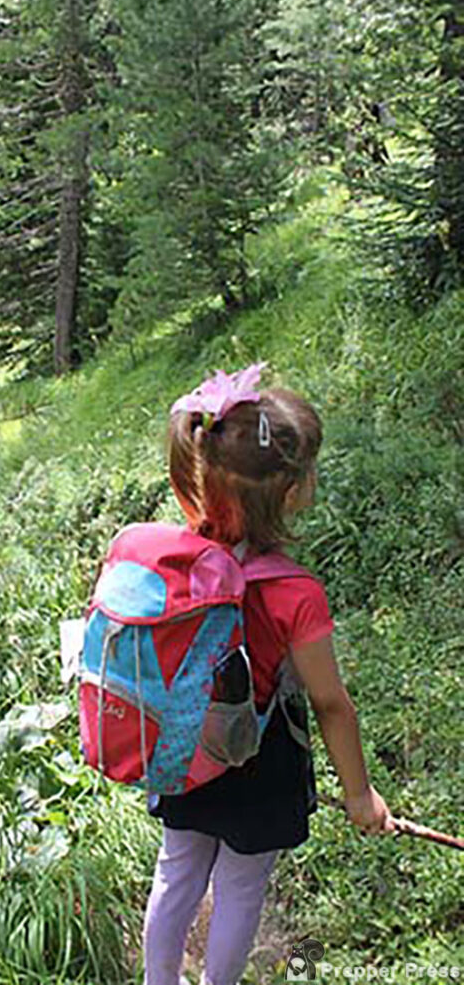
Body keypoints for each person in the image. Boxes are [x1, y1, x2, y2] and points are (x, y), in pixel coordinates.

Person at [142, 365, 394, 985]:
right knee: (240, 888)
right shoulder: (296, 593)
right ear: (289, 493)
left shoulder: (180, 554)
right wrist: (360, 796)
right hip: (262, 763)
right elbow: (331, 704)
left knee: (176, 873)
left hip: (184, 746)